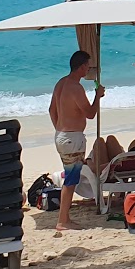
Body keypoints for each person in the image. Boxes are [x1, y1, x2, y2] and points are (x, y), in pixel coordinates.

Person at [48, 50, 103, 231]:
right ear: (81, 67)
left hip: (61, 135)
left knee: (70, 176)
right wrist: (97, 96)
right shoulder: (75, 87)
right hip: (72, 138)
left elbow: (51, 110)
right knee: (71, 179)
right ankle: (63, 220)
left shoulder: (61, 83)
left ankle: (64, 218)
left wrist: (60, 127)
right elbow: (90, 114)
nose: (88, 69)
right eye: (87, 65)